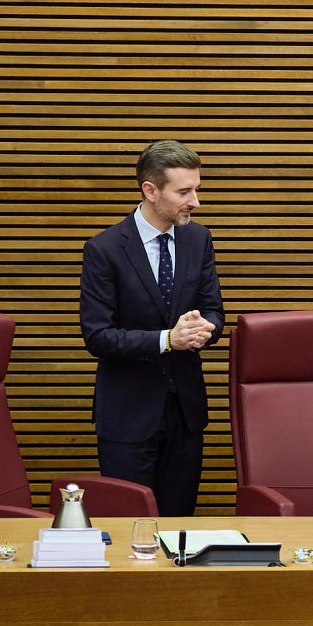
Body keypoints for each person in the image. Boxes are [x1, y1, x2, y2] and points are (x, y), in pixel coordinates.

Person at [80, 140, 223, 516]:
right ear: (150, 190)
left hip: (185, 412)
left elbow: (214, 309)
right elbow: (97, 335)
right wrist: (167, 340)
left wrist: (203, 327)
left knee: (179, 525)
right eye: (184, 192)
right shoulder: (105, 249)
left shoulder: (199, 239)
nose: (195, 201)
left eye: (197, 189)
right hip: (129, 416)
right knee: (131, 526)